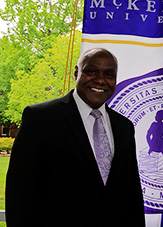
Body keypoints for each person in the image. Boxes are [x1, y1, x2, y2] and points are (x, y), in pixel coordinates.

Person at [6, 48, 145, 227]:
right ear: (76, 73)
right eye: (92, 71)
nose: (101, 80)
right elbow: (19, 193)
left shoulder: (124, 127)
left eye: (109, 74)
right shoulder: (40, 118)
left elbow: (132, 192)